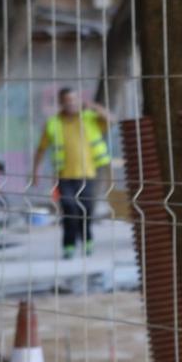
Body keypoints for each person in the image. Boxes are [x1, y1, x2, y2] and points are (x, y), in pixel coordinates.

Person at [29, 87, 112, 258]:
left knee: (86, 210)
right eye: (67, 100)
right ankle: (69, 245)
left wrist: (95, 107)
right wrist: (35, 171)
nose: (71, 103)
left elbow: (112, 120)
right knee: (69, 210)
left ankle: (87, 239)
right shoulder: (53, 123)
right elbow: (41, 149)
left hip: (88, 174)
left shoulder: (89, 118)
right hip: (64, 176)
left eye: (74, 99)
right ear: (61, 102)